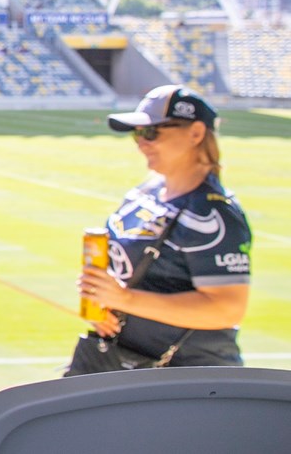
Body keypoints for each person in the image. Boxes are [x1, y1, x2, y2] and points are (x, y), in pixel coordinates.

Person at [72, 85, 250, 372]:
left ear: (196, 133)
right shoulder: (144, 193)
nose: (141, 143)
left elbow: (226, 309)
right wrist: (101, 302)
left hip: (185, 378)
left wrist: (125, 299)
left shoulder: (212, 213)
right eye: (137, 133)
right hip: (121, 362)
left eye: (151, 132)